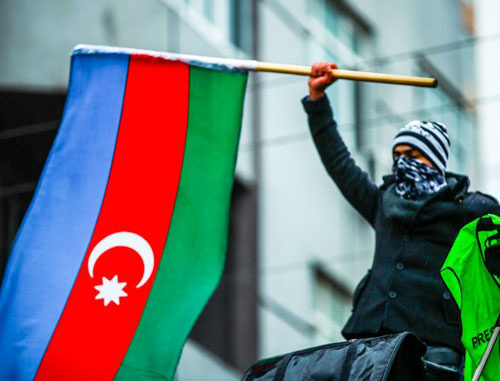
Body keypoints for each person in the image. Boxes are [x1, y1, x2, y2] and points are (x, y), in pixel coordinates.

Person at [302, 62, 500, 377]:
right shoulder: (383, 203)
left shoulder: (469, 210)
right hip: (371, 344)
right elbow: (339, 162)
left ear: (435, 160)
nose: (403, 162)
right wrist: (317, 102)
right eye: (398, 154)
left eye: (413, 153)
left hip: (435, 350)